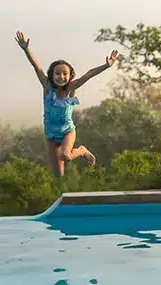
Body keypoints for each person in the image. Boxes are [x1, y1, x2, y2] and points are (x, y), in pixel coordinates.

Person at [15, 31, 118, 177]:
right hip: (50, 134)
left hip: (67, 131)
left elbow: (88, 74)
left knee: (66, 156)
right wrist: (26, 49)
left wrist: (106, 66)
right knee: (58, 176)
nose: (61, 77)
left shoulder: (71, 88)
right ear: (51, 75)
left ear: (70, 76)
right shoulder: (47, 87)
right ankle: (61, 192)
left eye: (65, 74)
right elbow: (36, 66)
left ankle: (82, 150)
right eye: (57, 73)